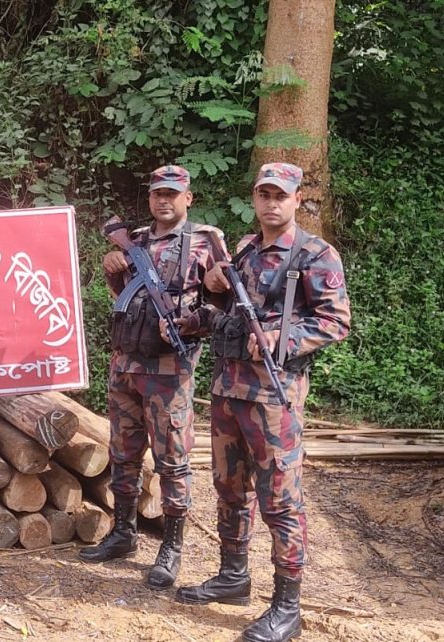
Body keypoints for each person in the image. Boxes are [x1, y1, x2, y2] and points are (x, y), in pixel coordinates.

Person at [175, 163, 351, 642]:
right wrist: (210, 296)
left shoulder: (315, 254)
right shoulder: (246, 249)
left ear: (296, 200)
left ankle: (286, 607)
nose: (272, 203)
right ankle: (233, 576)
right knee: (230, 487)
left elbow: (335, 321)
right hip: (228, 390)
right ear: (254, 199)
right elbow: (231, 314)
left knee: (280, 499)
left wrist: (281, 336)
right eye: (264, 194)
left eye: (281, 195)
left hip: (273, 398)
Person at [79, 165, 217, 590]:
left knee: (172, 462)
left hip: (169, 372)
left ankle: (171, 548)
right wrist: (110, 265)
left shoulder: (204, 244)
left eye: (173, 194)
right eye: (158, 193)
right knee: (123, 454)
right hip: (125, 366)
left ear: (188, 198)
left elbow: (224, 306)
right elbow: (120, 299)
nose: (164, 200)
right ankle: (123, 533)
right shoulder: (134, 240)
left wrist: (188, 323)